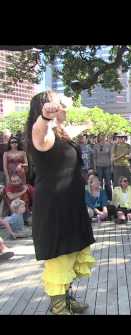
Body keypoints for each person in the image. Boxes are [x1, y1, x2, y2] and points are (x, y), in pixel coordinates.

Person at [26, 90, 95, 315]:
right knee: (59, 257)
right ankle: (58, 307)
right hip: (55, 207)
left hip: (70, 203)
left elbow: (70, 128)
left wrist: (87, 124)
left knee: (71, 252)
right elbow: (39, 132)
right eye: (58, 104)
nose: (64, 107)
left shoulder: (61, 133)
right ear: (45, 109)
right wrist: (44, 118)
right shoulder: (42, 135)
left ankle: (66, 297)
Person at [93, 134, 113, 201]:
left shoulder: (108, 145)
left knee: (108, 183)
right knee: (100, 183)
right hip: (99, 166)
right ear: (99, 138)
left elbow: (111, 156)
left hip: (107, 166)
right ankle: (100, 198)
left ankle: (109, 199)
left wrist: (111, 166)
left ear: (105, 137)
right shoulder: (96, 145)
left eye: (103, 136)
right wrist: (95, 167)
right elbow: (94, 157)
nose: (102, 138)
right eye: (101, 136)